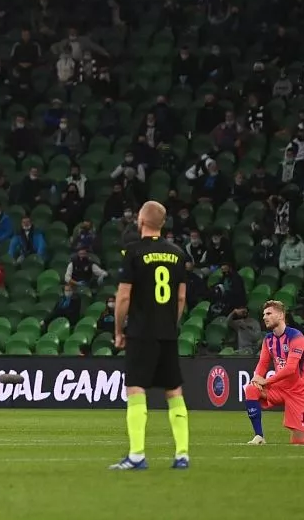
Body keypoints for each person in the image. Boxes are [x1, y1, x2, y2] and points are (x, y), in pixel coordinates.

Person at [110, 201, 191, 471]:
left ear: (141, 222)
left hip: (141, 332)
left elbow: (123, 297)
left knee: (135, 388)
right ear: (163, 223)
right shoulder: (178, 254)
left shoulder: (133, 252)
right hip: (167, 332)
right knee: (174, 390)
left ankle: (137, 455)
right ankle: (182, 454)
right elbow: (181, 297)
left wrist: (119, 330)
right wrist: (170, 323)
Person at [243, 300, 304, 446]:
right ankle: (259, 436)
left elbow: (291, 369)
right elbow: (263, 364)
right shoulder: (268, 340)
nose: (264, 317)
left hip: (299, 391)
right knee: (251, 389)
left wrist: (266, 381)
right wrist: (256, 378)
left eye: (269, 313)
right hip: (279, 388)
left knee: (299, 441)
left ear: (281, 315)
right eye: (264, 314)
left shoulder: (296, 337)